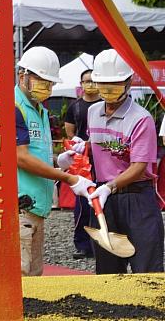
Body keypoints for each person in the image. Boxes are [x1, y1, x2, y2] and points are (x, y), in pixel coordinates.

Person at [15, 46, 94, 277]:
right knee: (20, 276)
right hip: (19, 207)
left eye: (50, 83)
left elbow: (34, 152)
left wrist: (59, 161)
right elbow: (20, 156)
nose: (47, 88)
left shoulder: (37, 108)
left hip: (35, 208)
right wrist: (67, 177)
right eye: (41, 81)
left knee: (34, 275)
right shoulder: (15, 106)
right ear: (23, 76)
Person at [83, 49, 163, 273]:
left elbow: (139, 166)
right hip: (103, 198)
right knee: (107, 266)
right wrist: (82, 147)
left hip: (136, 198)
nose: (108, 91)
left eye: (115, 84)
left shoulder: (141, 118)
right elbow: (98, 143)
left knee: (146, 265)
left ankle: (148, 308)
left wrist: (111, 186)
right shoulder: (92, 112)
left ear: (128, 82)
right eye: (103, 85)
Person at [62, 68, 100, 259]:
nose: (90, 84)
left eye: (93, 81)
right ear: (81, 84)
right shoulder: (75, 107)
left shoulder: (105, 105)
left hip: (102, 159)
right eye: (86, 81)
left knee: (102, 199)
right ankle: (82, 244)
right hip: (81, 161)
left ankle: (100, 243)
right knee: (82, 202)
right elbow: (70, 131)